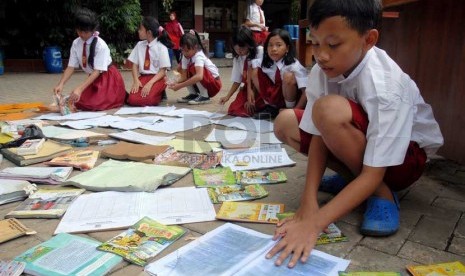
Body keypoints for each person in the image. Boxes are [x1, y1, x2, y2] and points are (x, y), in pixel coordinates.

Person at [268, 0, 444, 269]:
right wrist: (308, 202)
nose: (321, 55)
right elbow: (317, 135)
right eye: (314, 43)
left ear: (369, 39)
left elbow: (374, 170)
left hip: (404, 162)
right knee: (285, 122)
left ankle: (383, 196)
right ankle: (353, 180)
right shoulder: (322, 70)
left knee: (328, 110)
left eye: (333, 44)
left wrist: (314, 224)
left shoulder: (385, 85)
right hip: (364, 150)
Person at [53, 8, 126, 111]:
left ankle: (117, 95)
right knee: (78, 99)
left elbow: (97, 72)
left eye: (86, 32)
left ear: (92, 30)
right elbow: (71, 66)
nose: (82, 34)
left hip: (107, 78)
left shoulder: (100, 45)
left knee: (95, 104)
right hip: (92, 78)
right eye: (79, 31)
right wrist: (61, 84)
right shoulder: (76, 43)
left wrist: (80, 88)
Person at [250, 28, 307, 119]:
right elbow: (250, 67)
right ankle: (271, 107)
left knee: (288, 76)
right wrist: (250, 91)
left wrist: (296, 110)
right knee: (255, 72)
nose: (273, 49)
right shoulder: (266, 62)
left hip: (290, 98)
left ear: (287, 48)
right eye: (270, 45)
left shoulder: (293, 65)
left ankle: (289, 110)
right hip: (274, 97)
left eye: (278, 45)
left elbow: (306, 91)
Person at [126, 16, 173, 106]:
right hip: (143, 78)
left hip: (157, 78)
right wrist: (136, 80)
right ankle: (156, 93)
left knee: (149, 101)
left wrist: (150, 83)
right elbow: (134, 65)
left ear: (149, 33)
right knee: (132, 100)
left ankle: (160, 93)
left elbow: (163, 71)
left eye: (140, 29)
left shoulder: (161, 48)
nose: (138, 31)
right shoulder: (139, 45)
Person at [219, 26, 265, 117]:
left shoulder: (259, 52)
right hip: (248, 88)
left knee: (251, 108)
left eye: (242, 48)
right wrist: (227, 97)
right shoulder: (237, 59)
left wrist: (252, 93)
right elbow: (237, 80)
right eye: (236, 49)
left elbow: (259, 75)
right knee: (234, 110)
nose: (239, 51)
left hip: (261, 86)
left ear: (249, 44)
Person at [168, 30, 221, 105]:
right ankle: (193, 94)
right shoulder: (185, 56)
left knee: (192, 68)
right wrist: (174, 82)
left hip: (214, 84)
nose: (184, 53)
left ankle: (204, 96)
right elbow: (184, 76)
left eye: (187, 51)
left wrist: (179, 86)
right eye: (182, 50)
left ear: (195, 47)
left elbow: (199, 76)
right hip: (205, 82)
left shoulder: (198, 56)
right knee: (185, 70)